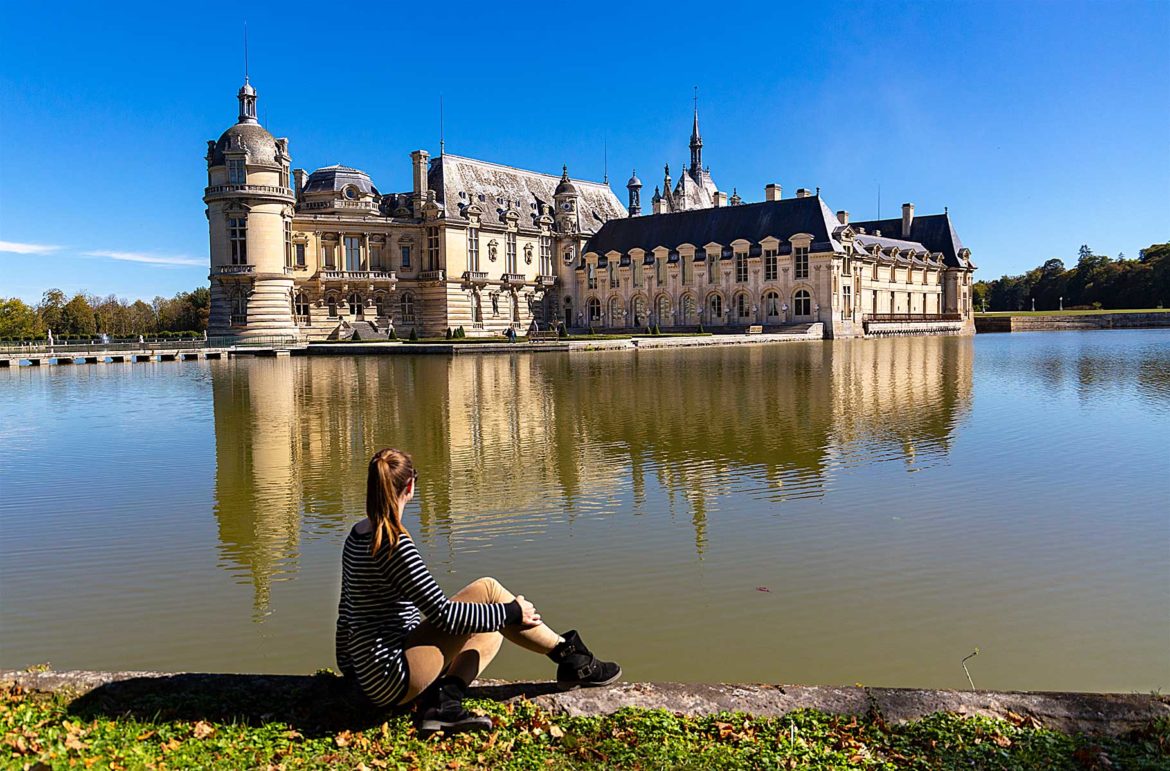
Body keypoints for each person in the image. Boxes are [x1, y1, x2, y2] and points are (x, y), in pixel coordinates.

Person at [337, 449, 620, 735]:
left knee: (490, 624)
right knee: (490, 592)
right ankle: (572, 658)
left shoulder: (357, 535)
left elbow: (345, 613)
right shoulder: (395, 545)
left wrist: (352, 671)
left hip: (371, 673)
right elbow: (444, 615)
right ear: (410, 487)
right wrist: (513, 611)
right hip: (393, 677)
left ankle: (443, 703)